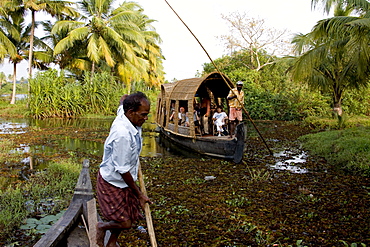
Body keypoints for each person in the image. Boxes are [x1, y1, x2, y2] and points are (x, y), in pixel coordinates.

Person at [96, 92, 152, 247]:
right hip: (113, 181)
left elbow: (122, 102)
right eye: (143, 115)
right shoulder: (123, 135)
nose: (145, 118)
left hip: (125, 179)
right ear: (131, 113)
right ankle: (102, 227)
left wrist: (125, 97)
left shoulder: (125, 113)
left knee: (128, 214)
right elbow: (122, 170)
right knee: (125, 222)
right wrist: (139, 194)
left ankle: (112, 242)